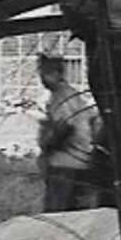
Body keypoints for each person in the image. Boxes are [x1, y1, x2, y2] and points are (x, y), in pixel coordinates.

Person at [36, 53, 98, 211]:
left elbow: (65, 127)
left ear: (57, 74)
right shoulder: (70, 95)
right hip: (78, 160)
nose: (42, 79)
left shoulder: (62, 96)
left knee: (58, 211)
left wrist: (48, 145)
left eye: (45, 74)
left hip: (65, 162)